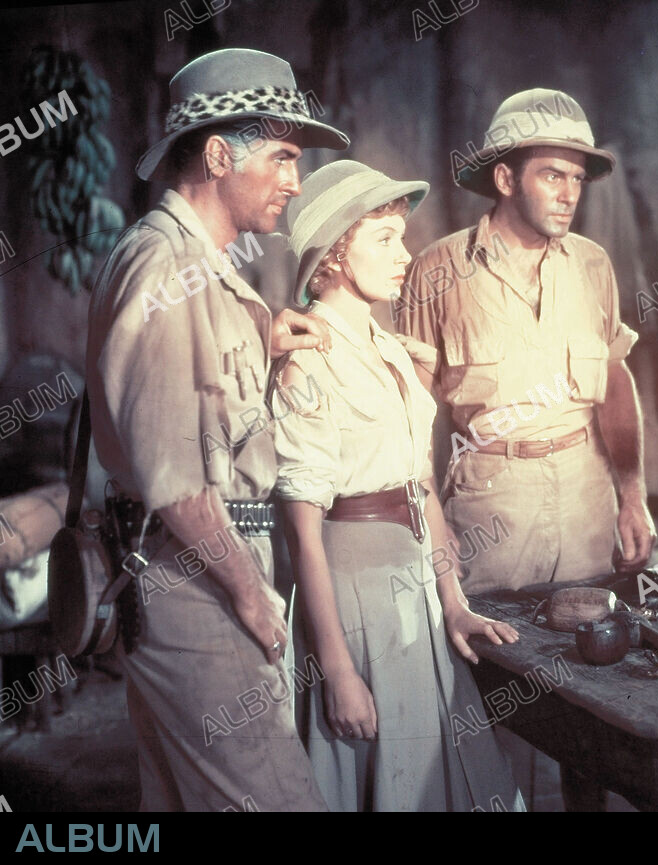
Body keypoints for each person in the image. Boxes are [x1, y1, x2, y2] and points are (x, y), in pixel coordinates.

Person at [86, 48, 350, 811]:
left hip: (185, 572)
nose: (295, 182)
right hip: (198, 577)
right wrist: (250, 593)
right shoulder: (166, 267)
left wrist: (258, 344)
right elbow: (174, 477)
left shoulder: (191, 264)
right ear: (215, 154)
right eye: (283, 158)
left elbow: (179, 399)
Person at [271, 160, 525, 812]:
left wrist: (455, 600)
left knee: (449, 775)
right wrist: (337, 671)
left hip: (418, 592)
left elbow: (420, 486)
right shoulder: (307, 357)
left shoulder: (389, 346)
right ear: (332, 254)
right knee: (387, 778)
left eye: (401, 235)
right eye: (383, 238)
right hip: (357, 599)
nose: (404, 254)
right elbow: (303, 532)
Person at [399, 88, 655, 595]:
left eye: (578, 178)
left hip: (587, 495)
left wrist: (632, 494)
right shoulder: (436, 271)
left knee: (593, 653)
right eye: (552, 175)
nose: (570, 194)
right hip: (491, 501)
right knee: (491, 657)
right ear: (505, 179)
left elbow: (614, 380)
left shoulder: (592, 263)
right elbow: (409, 413)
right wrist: (429, 523)